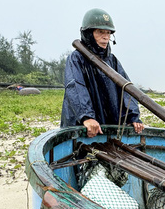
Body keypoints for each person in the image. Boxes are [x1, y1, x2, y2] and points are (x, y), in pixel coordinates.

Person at [60, 8, 144, 137]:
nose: (106, 37)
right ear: (89, 33)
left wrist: (132, 117)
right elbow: (75, 86)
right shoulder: (77, 58)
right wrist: (87, 117)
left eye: (108, 33)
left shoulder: (112, 61)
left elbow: (126, 89)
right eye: (100, 32)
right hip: (83, 125)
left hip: (109, 124)